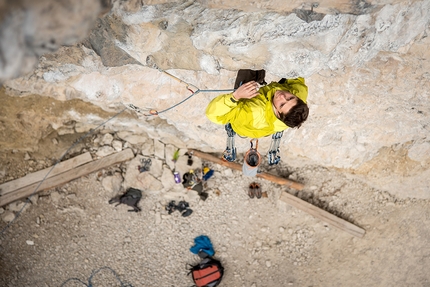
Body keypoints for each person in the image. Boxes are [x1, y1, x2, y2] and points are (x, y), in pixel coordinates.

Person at [205, 77, 309, 139]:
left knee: (247, 75)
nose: (282, 96)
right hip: (266, 126)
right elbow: (296, 73)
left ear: (277, 113)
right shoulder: (299, 94)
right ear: (297, 97)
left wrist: (235, 97)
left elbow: (213, 115)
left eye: (282, 104)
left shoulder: (252, 111)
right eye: (290, 97)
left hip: (244, 125)